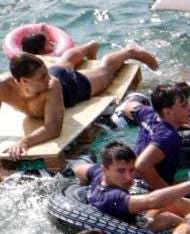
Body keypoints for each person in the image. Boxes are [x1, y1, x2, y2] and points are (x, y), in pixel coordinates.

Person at [0, 43, 159, 159]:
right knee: (63, 65)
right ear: (23, 81)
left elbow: (53, 128)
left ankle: (128, 51)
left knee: (105, 73)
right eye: (42, 76)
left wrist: (25, 142)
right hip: (55, 77)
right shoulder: (2, 87)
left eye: (45, 72)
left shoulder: (52, 83)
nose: (48, 78)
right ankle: (87, 48)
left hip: (69, 89)